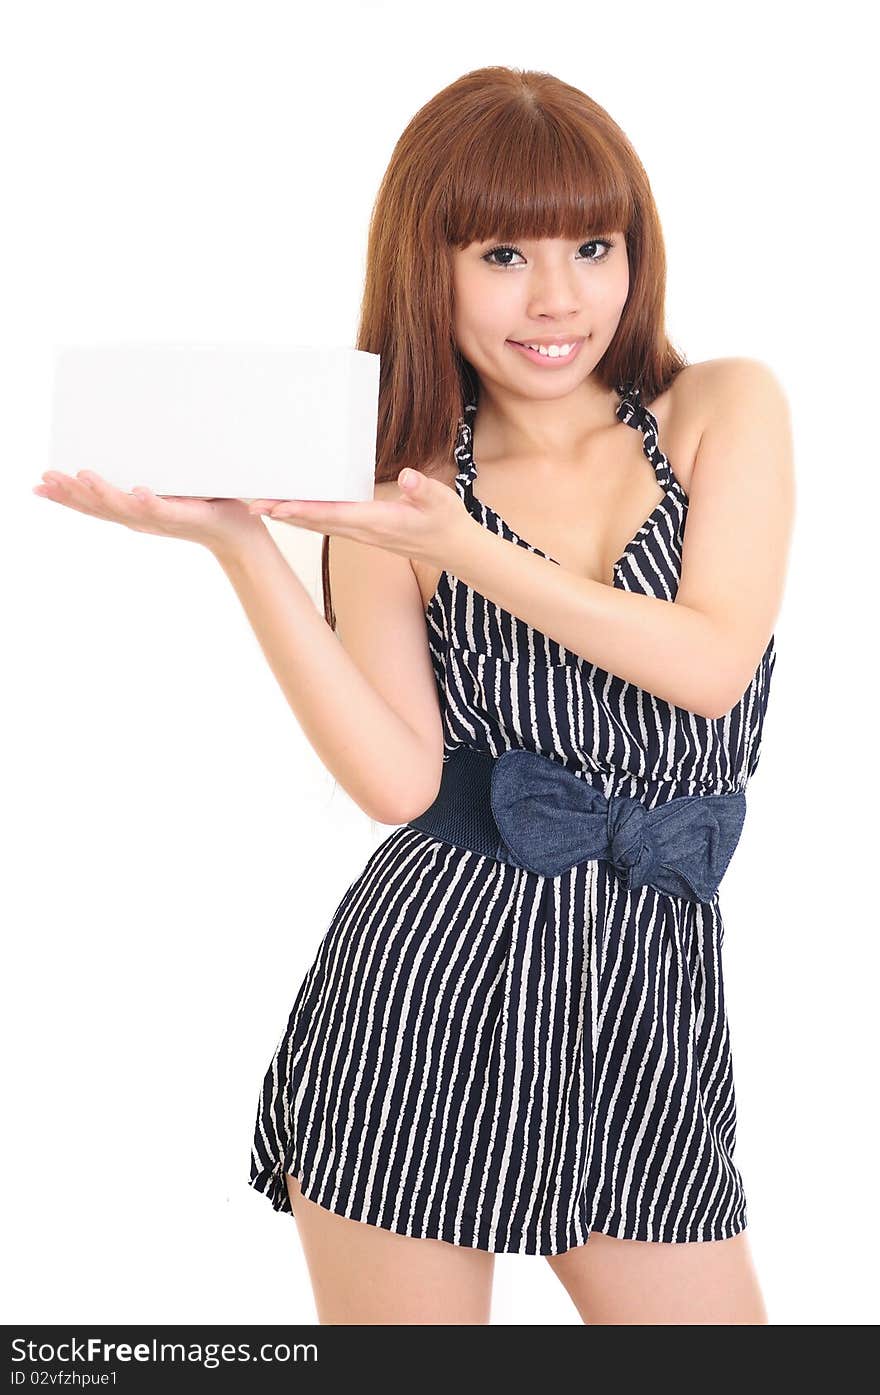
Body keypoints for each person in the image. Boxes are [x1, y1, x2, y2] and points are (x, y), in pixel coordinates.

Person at [34, 66, 794, 1325]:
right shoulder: (394, 491)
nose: (558, 299)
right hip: (428, 998)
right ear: (426, 266)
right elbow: (398, 785)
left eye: (592, 246)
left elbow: (710, 665)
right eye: (502, 253)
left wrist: (466, 552)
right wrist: (243, 544)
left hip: (650, 1006)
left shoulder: (722, 408)